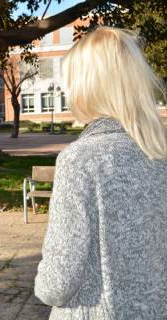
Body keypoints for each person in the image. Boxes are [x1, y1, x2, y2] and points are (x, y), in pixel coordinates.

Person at [34, 27, 167, 319]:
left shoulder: (81, 161)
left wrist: (41, 282)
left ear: (88, 86)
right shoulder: (160, 152)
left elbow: (57, 283)